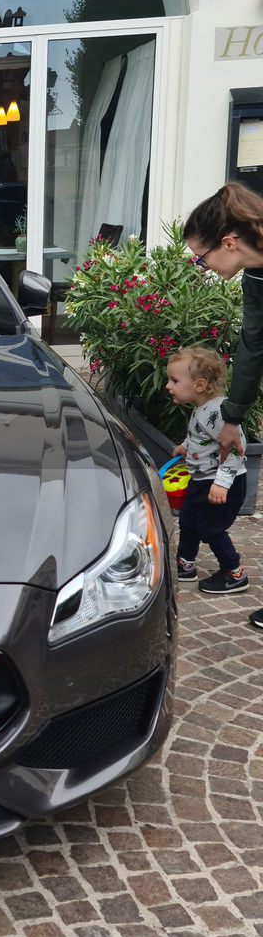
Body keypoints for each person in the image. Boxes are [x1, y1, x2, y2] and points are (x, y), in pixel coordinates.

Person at [182, 182, 263, 623]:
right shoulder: (255, 275)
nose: (203, 266)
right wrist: (231, 418)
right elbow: (252, 346)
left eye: (202, 257)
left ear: (228, 243)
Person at [166, 346, 248, 594]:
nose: (168, 386)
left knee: (211, 528)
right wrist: (185, 445)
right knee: (189, 521)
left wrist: (222, 483)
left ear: (199, 385)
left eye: (174, 380)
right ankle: (186, 564)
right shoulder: (203, 409)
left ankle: (234, 573)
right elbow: (202, 437)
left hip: (220, 483)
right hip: (201, 479)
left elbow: (237, 448)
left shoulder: (219, 412)